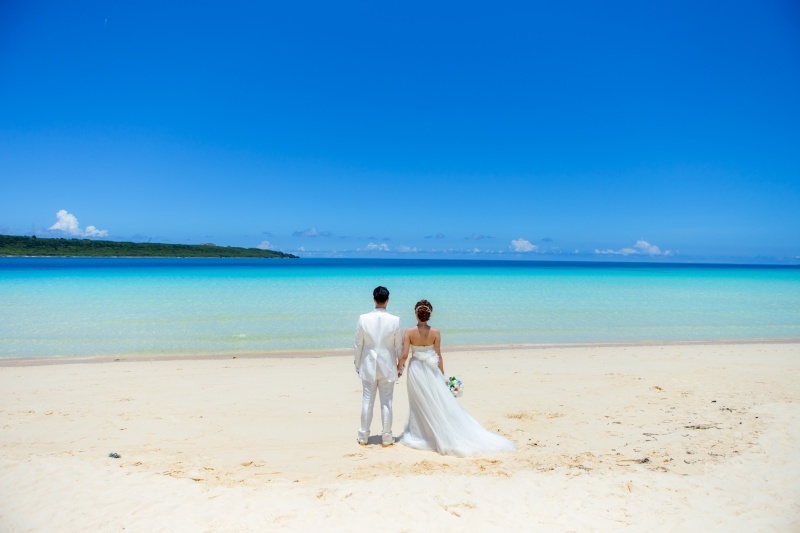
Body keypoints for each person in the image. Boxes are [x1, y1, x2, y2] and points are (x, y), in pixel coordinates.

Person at [396, 299, 515, 457]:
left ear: (415, 314)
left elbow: (404, 355)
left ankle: (421, 434)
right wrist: (442, 376)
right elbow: (438, 355)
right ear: (429, 314)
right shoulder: (436, 332)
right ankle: (435, 431)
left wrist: (399, 368)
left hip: (416, 370)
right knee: (436, 401)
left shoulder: (409, 332)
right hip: (432, 370)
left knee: (419, 402)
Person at [354, 286, 403, 446]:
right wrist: (400, 366)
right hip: (388, 366)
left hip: (368, 364)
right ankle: (387, 437)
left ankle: (363, 436)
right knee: (387, 401)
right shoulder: (395, 320)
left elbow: (358, 344)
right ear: (387, 300)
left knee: (367, 400)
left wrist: (357, 363)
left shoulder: (363, 318)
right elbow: (398, 347)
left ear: (374, 299)